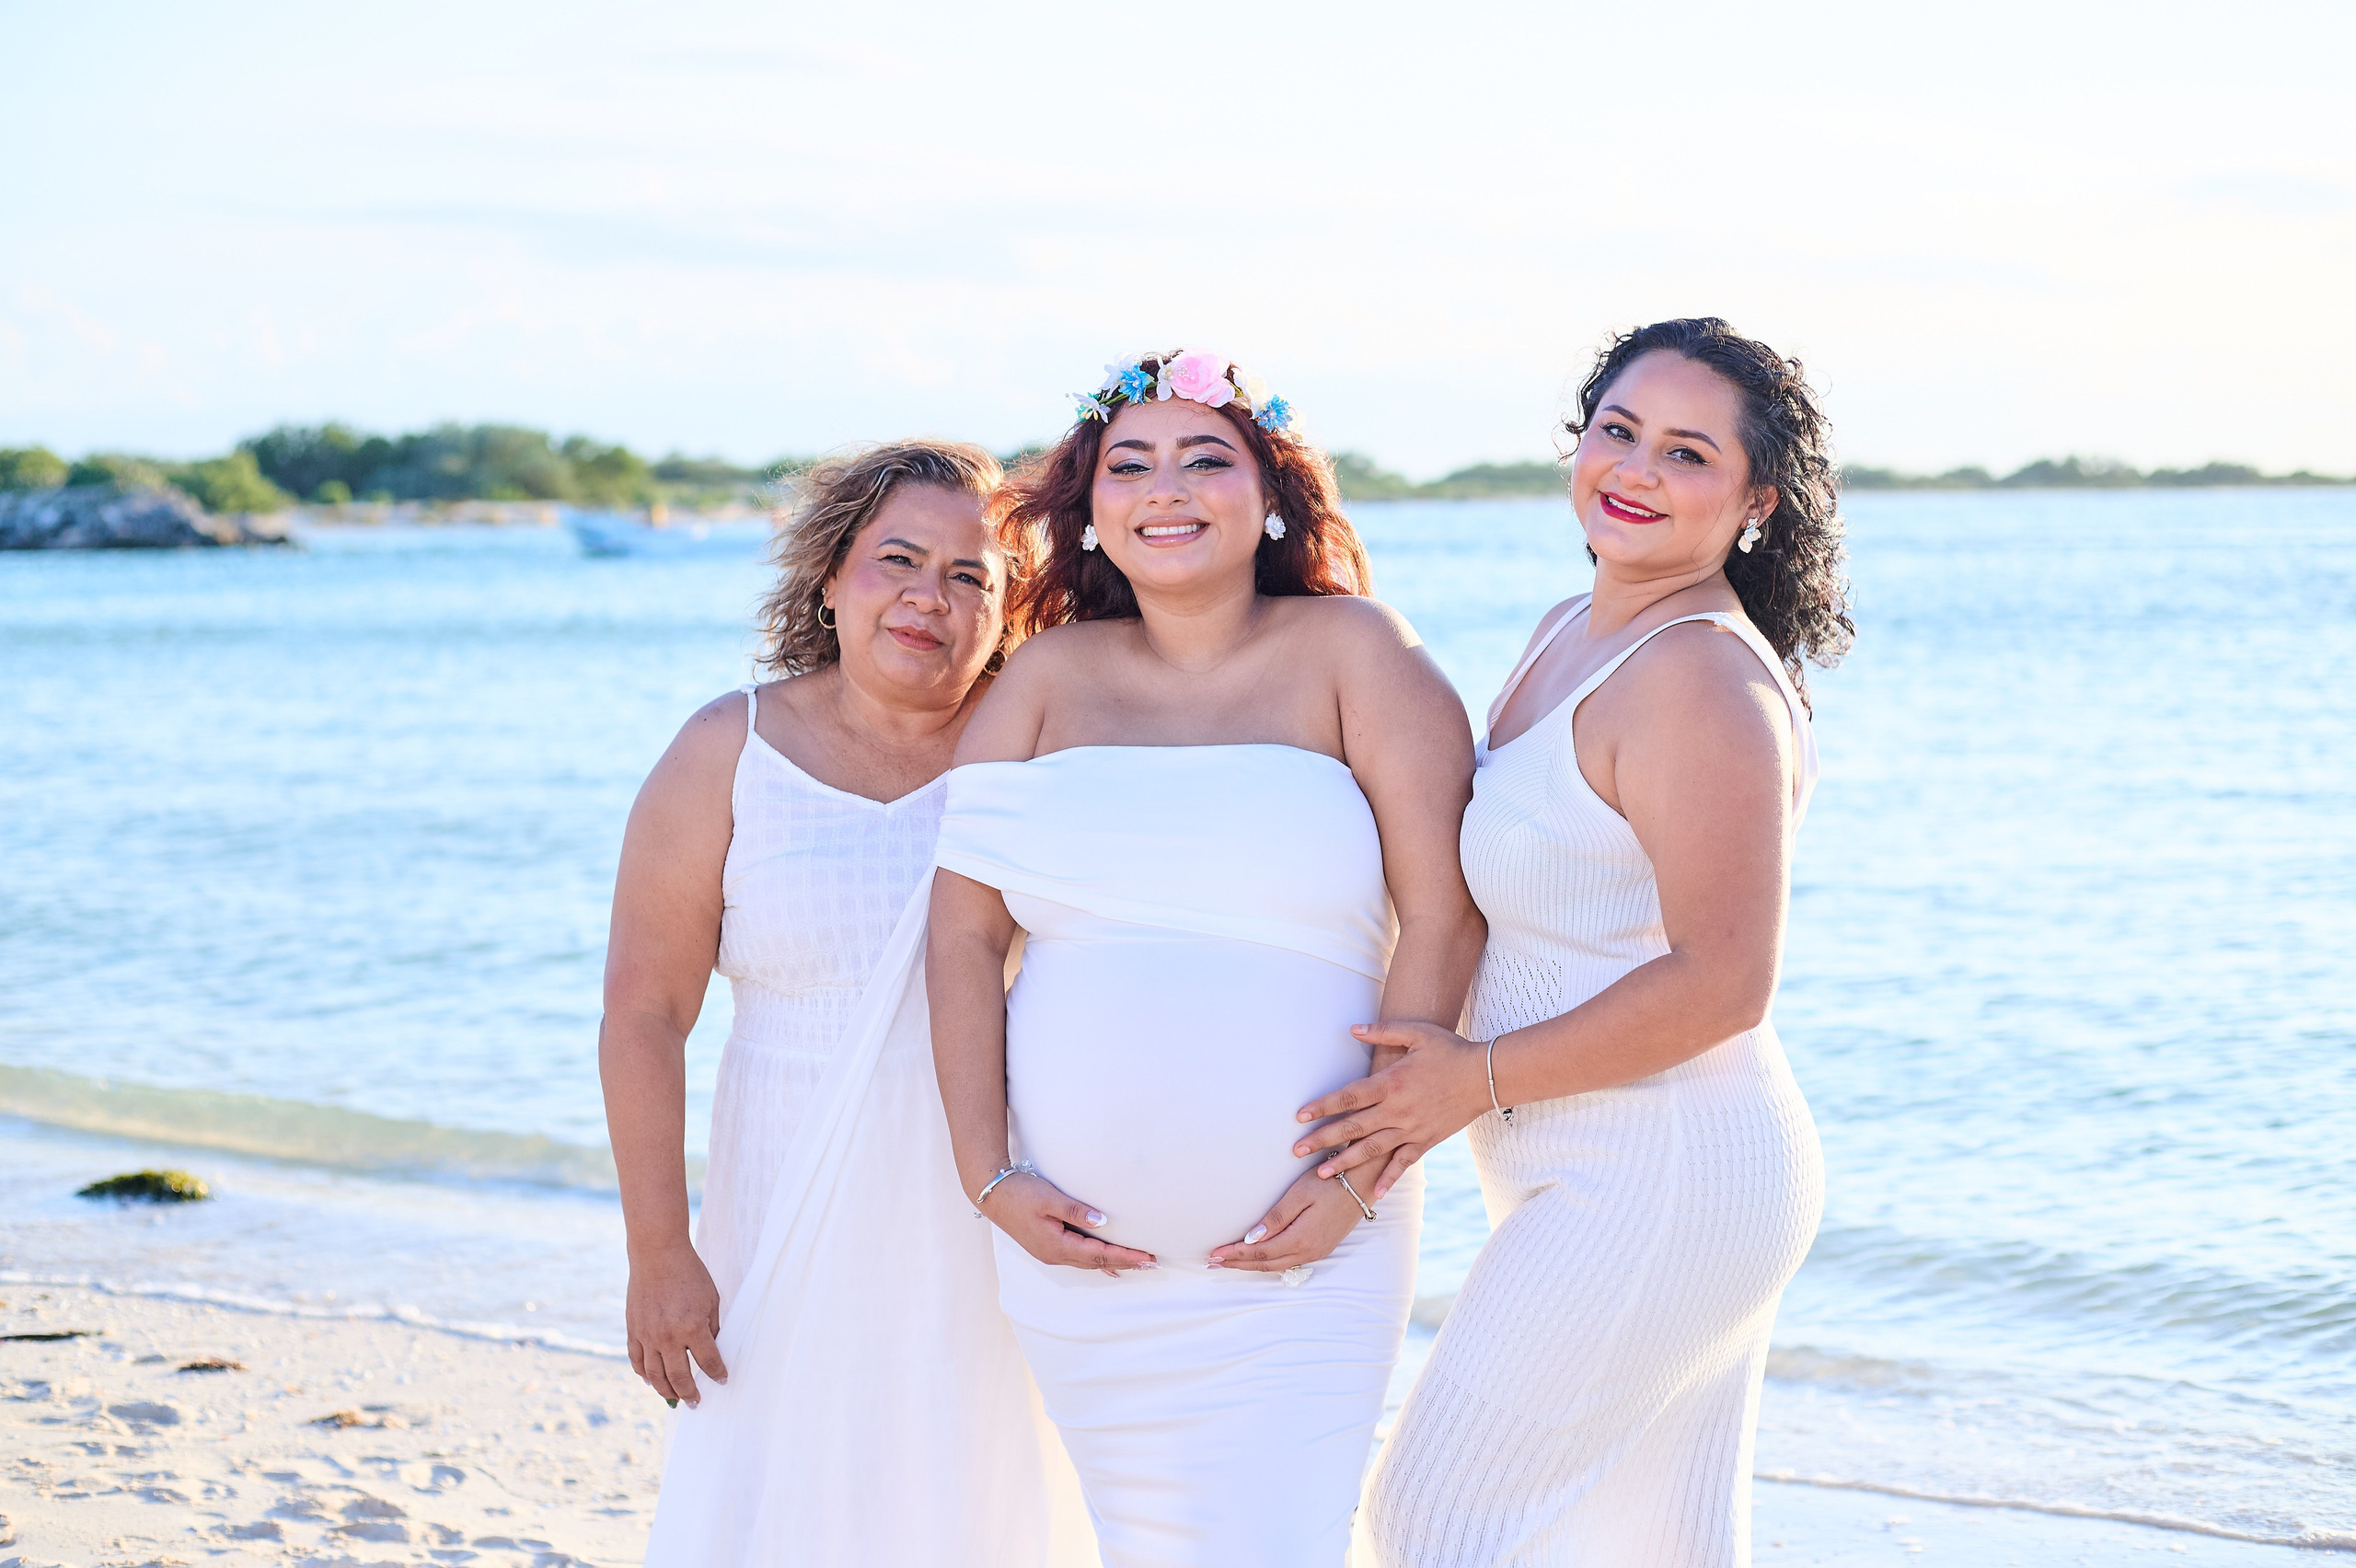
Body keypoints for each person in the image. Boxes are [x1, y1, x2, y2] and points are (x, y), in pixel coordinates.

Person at [1296, 317, 1856, 1564]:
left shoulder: (1700, 680)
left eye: (1688, 454)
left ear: (1757, 500)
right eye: (1618, 431)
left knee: (1431, 1520)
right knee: (1653, 1543)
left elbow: (1725, 982)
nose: (1636, 471)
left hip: (1662, 1169)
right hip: (1608, 1166)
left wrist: (1473, 1079)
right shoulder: (1575, 628)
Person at [928, 350, 1485, 1567]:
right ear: (1090, 510)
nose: (1166, 489)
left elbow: (1446, 919)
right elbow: (962, 940)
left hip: (1309, 1247)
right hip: (1080, 1266)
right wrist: (987, 1176)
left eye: (1204, 459)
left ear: (1269, 493)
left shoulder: (1356, 652)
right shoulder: (1043, 680)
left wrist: (1360, 1178)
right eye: (1129, 465)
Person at [599, 441, 1061, 1565]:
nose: (928, 597)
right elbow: (644, 1017)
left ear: (1008, 610)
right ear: (830, 576)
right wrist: (658, 1251)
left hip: (988, 1208)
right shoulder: (730, 750)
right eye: (897, 559)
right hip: (780, 1199)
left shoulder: (1043, 758)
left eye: (969, 575)